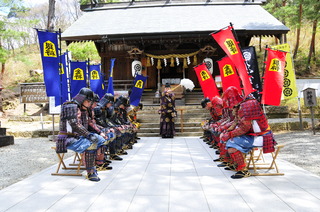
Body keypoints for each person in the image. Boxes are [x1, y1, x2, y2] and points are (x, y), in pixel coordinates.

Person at [219, 87, 276, 179]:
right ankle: (235, 163)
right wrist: (227, 130)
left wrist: (229, 134)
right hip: (252, 135)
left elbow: (245, 127)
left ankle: (243, 170)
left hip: (261, 136)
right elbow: (236, 122)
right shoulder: (240, 105)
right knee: (227, 139)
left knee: (232, 143)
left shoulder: (248, 105)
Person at [56, 87, 107, 182]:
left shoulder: (81, 108)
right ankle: (90, 172)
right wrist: (89, 135)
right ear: (83, 99)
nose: (90, 104)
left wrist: (97, 133)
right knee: (91, 144)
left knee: (101, 140)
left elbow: (87, 124)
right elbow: (75, 124)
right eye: (89, 101)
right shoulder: (70, 106)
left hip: (78, 136)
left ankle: (98, 163)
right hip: (68, 138)